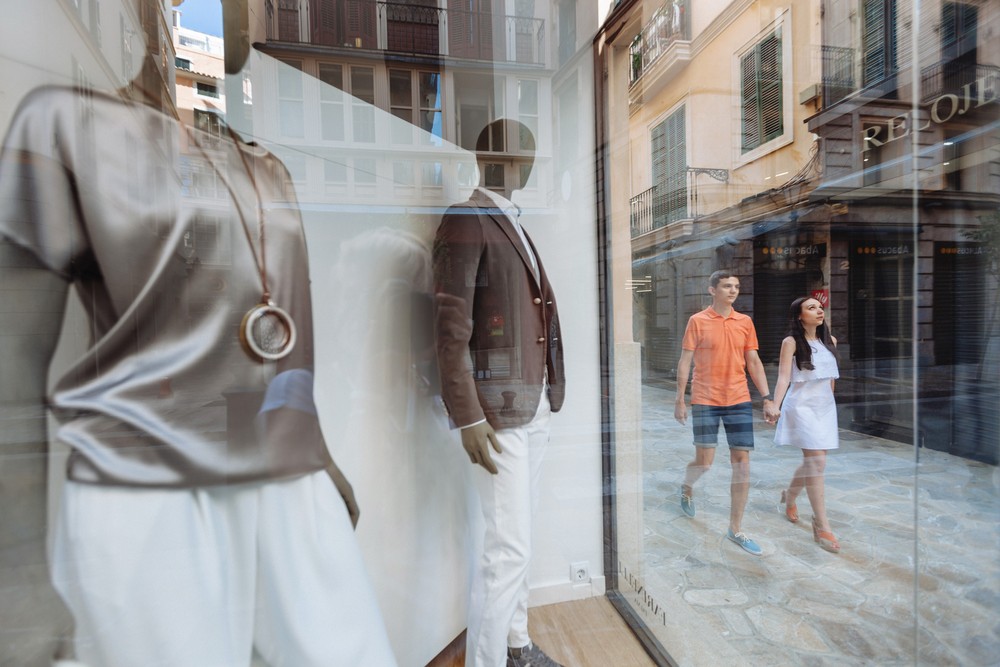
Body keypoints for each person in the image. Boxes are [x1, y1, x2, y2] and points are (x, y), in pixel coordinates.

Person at [0, 2, 396, 664]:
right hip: (145, 486)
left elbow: (284, 346)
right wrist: (17, 575)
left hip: (281, 468)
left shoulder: (267, 169)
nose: (256, 8)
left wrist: (318, 451)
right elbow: (9, 364)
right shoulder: (66, 128)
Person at [433, 118, 566, 667]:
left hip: (531, 404)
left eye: (528, 154)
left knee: (520, 540)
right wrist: (467, 416)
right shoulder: (467, 217)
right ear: (486, 157)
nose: (523, 163)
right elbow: (449, 325)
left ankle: (516, 643)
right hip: (496, 414)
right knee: (505, 550)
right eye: (513, 153)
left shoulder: (511, 221)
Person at [674, 270, 777, 556]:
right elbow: (685, 361)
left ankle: (736, 528)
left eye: (736, 286)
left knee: (742, 464)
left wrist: (767, 398)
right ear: (712, 290)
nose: (733, 290)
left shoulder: (745, 322)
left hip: (739, 398)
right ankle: (686, 486)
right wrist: (680, 399)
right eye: (726, 286)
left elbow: (753, 361)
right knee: (705, 462)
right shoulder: (698, 321)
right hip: (705, 398)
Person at [772, 296, 841, 553]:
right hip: (800, 405)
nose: (818, 310)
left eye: (820, 307)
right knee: (817, 462)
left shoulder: (830, 341)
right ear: (799, 316)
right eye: (811, 307)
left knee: (813, 462)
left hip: (824, 407)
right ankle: (821, 524)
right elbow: (783, 378)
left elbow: (831, 379)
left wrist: (830, 407)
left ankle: (789, 496)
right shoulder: (790, 342)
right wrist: (774, 405)